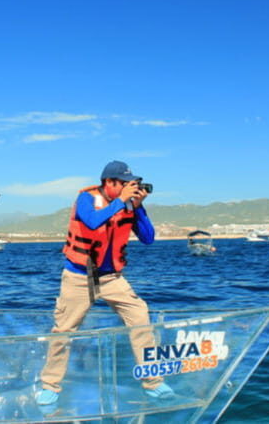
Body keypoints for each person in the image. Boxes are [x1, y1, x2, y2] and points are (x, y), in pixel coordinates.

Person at [36, 160, 174, 406]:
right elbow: (91, 222)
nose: (129, 188)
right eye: (124, 183)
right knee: (63, 332)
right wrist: (121, 201)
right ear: (109, 182)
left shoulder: (128, 205)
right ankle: (49, 385)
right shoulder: (86, 199)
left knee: (140, 316)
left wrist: (138, 208)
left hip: (111, 279)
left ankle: (153, 382)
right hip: (79, 277)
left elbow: (149, 238)